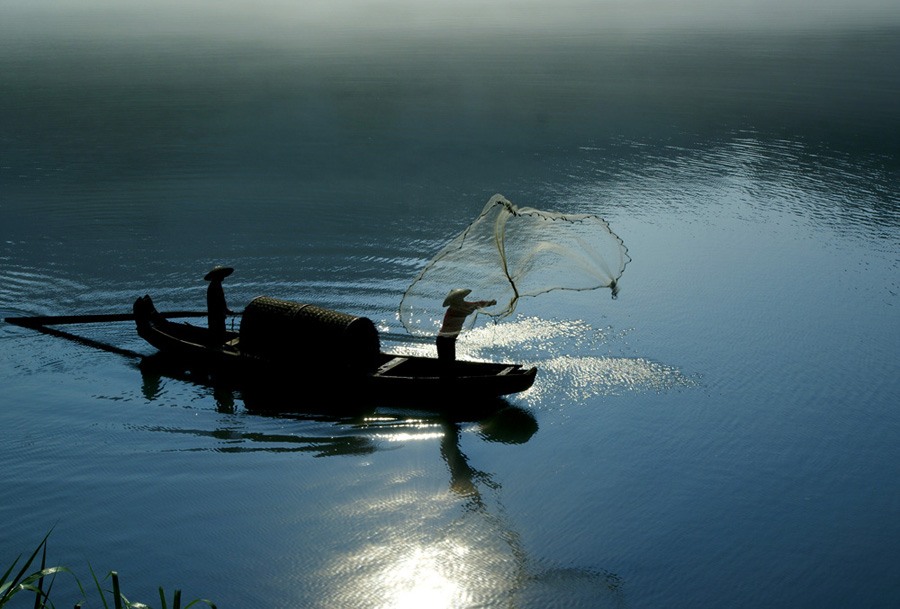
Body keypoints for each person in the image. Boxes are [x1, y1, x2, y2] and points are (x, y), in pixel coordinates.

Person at [437, 288, 496, 367]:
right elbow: (466, 312)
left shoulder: (463, 304)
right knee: (447, 362)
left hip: (450, 339)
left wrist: (490, 303)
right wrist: (474, 307)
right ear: (454, 300)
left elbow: (478, 303)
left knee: (450, 361)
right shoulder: (452, 309)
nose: (461, 299)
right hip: (444, 339)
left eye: (461, 297)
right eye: (458, 298)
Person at [204, 266, 235, 346]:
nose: (223, 276)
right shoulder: (215, 286)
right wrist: (227, 311)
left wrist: (226, 310)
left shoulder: (216, 285)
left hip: (217, 316)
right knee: (218, 336)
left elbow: (221, 303)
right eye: (221, 275)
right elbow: (220, 302)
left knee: (218, 336)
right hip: (216, 317)